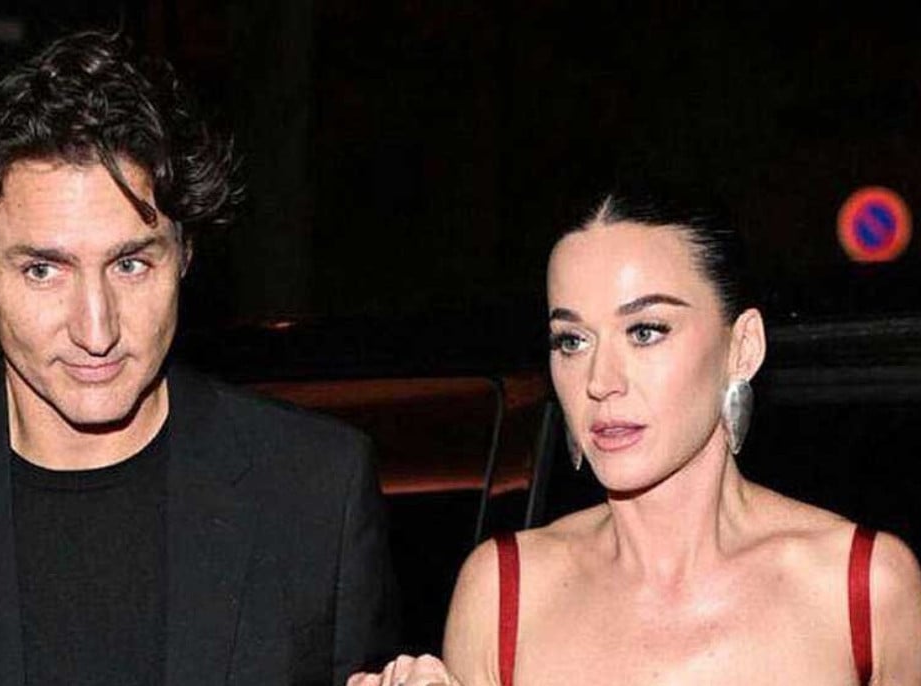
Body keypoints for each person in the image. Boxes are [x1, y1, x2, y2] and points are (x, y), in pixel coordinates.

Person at [0, 30, 397, 685]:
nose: (96, 329)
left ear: (184, 254)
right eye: (43, 270)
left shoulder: (315, 488)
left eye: (131, 264)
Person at [351, 187, 921, 685]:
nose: (600, 381)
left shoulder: (863, 591)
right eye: (572, 341)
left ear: (743, 347)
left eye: (645, 331)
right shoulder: (504, 593)